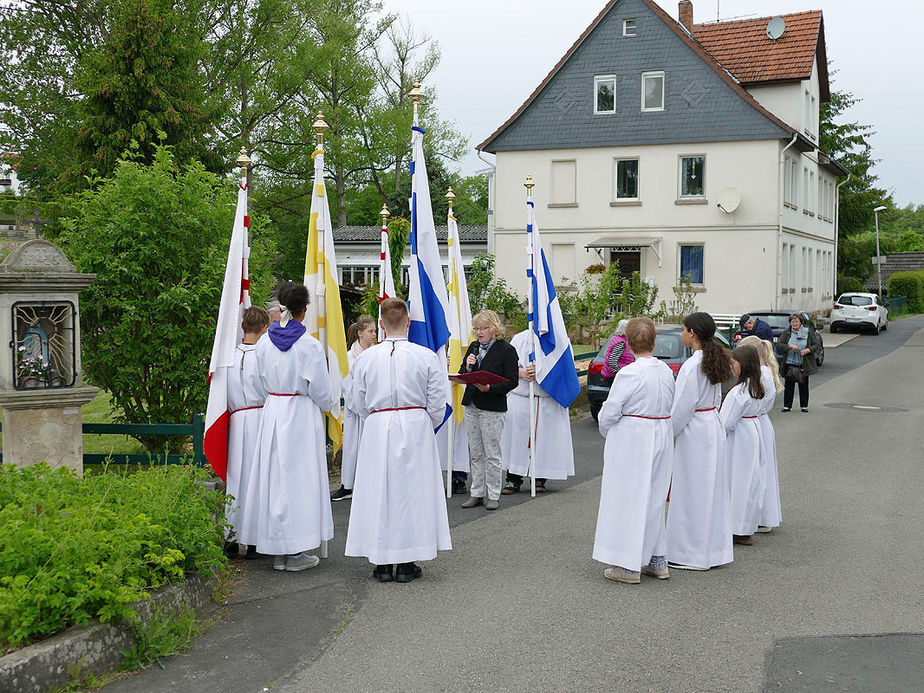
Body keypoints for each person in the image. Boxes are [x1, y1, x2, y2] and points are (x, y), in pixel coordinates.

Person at [345, 298, 452, 583]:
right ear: (407, 322)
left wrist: (379, 418)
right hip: (415, 423)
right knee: (412, 491)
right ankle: (405, 561)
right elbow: (438, 402)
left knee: (378, 490)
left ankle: (381, 562)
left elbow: (357, 401)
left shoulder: (365, 358)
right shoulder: (426, 356)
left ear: (380, 324)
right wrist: (422, 423)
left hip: (379, 424)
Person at [238, 282, 336, 573]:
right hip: (300, 413)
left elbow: (258, 379)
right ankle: (295, 550)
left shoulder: (265, 342)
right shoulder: (308, 345)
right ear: (304, 310)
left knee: (275, 480)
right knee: (299, 480)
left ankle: (277, 549)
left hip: (274, 410)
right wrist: (329, 403)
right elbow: (321, 389)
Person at [592, 318, 675, 584]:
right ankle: (657, 559)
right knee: (653, 496)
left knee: (629, 499)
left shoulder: (629, 373)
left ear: (628, 343)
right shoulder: (665, 370)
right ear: (654, 341)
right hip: (661, 433)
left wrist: (609, 432)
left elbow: (610, 412)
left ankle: (628, 565)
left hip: (634, 438)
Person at [666, 312, 734, 571]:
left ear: (692, 333)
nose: (681, 334)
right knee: (711, 490)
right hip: (710, 424)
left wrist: (668, 432)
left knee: (691, 491)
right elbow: (715, 397)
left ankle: (689, 553)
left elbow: (682, 406)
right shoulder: (712, 359)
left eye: (683, 330)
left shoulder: (692, 366)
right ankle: (712, 550)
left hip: (695, 429)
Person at [500, 329, 574, 495]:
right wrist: (522, 373)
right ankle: (513, 477)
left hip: (546, 398)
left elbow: (566, 368)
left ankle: (540, 477)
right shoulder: (520, 338)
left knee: (544, 441)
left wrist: (542, 371)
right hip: (522, 397)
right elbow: (507, 365)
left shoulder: (560, 339)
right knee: (517, 441)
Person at [459, 310, 519, 510]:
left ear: (494, 328)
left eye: (483, 328)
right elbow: (461, 373)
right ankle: (476, 492)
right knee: (475, 453)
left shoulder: (506, 350)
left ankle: (493, 494)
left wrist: (490, 388)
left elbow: (512, 381)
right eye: (476, 328)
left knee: (492, 453)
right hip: (472, 404)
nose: (479, 332)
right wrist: (468, 367)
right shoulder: (474, 348)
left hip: (492, 407)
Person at [225, 305, 270, 559]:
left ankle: (231, 538)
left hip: (237, 419)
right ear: (264, 328)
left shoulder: (229, 356)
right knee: (256, 479)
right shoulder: (263, 357)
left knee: (236, 480)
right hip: (259, 416)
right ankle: (253, 541)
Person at [738, 336, 784, 533]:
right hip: (762, 421)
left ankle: (760, 516)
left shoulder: (760, 375)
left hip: (756, 420)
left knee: (758, 471)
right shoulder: (766, 371)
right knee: (763, 469)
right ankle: (765, 515)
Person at [721, 345, 765, 547]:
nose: (731, 367)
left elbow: (726, 422)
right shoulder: (756, 386)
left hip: (738, 436)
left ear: (743, 365)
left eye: (734, 363)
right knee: (750, 480)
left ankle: (734, 527)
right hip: (752, 431)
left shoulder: (737, 392)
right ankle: (745, 527)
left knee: (736, 480)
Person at [331, 316, 377, 503]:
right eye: (370, 331)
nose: (374, 334)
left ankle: (370, 483)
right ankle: (348, 485)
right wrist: (359, 406)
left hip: (373, 410)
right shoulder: (349, 357)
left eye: (375, 331)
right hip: (355, 411)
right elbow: (347, 385)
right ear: (360, 333)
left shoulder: (376, 354)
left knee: (372, 449)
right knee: (352, 448)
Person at [777, 313, 822, 413]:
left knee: (803, 385)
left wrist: (808, 350)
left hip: (803, 363)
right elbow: (779, 344)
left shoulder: (807, 332)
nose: (795, 323)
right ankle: (787, 406)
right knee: (789, 385)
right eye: (792, 321)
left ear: (801, 322)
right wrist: (789, 347)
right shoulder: (787, 332)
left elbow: (816, 344)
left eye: (796, 321)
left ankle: (804, 406)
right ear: (790, 323)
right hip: (790, 362)